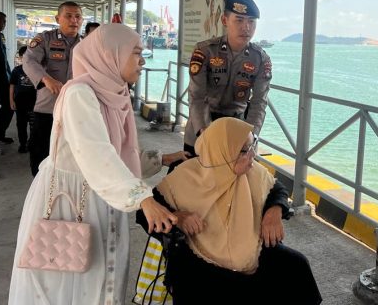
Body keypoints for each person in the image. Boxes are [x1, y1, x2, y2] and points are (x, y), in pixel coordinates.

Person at [9, 24, 187, 304]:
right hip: (72, 199)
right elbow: (96, 153)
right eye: (135, 53)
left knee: (97, 276)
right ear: (110, 55)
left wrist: (162, 159)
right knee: (69, 278)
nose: (142, 61)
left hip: (102, 194)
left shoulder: (116, 94)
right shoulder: (80, 93)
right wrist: (143, 198)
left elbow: (118, 153)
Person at [137, 117, 321, 304]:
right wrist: (177, 217)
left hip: (252, 249)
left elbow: (277, 189)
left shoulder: (253, 171)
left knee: (297, 265)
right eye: (245, 150)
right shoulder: (183, 177)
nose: (253, 154)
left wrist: (274, 211)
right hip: (200, 259)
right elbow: (144, 213)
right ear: (224, 152)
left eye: (253, 145)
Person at [184, 0, 272, 155]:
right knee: (194, 170)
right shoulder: (205, 52)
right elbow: (196, 96)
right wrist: (203, 130)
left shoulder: (260, 59)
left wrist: (251, 134)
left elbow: (259, 101)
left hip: (238, 129)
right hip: (203, 124)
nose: (246, 27)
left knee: (240, 171)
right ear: (225, 20)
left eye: (251, 21)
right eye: (239, 20)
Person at [23, 1, 83, 176]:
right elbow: (29, 60)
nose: (74, 20)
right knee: (40, 150)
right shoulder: (45, 39)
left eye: (78, 16)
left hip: (76, 109)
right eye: (68, 16)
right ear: (58, 19)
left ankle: (64, 185)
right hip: (48, 107)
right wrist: (46, 79)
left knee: (73, 152)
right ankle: (39, 183)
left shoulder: (87, 43)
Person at [9, 46, 36, 153]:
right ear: (20, 57)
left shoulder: (37, 70)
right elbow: (12, 86)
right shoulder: (16, 71)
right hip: (20, 102)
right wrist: (11, 100)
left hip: (34, 102)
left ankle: (32, 143)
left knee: (34, 125)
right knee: (21, 124)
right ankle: (23, 144)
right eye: (24, 56)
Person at [0, 11, 14, 144]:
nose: (3, 24)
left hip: (3, 79)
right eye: (0, 20)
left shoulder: (0, 36)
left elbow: (4, 59)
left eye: (4, 21)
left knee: (9, 106)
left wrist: (10, 75)